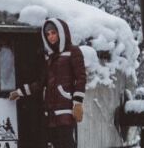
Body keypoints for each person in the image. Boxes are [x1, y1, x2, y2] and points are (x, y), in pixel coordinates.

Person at [8, 18, 86, 148]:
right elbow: (41, 83)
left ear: (61, 33)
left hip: (66, 108)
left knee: (66, 143)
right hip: (50, 112)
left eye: (53, 33)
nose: (51, 37)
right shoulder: (50, 58)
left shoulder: (73, 51)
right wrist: (20, 92)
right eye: (48, 34)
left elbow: (81, 78)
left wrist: (77, 103)